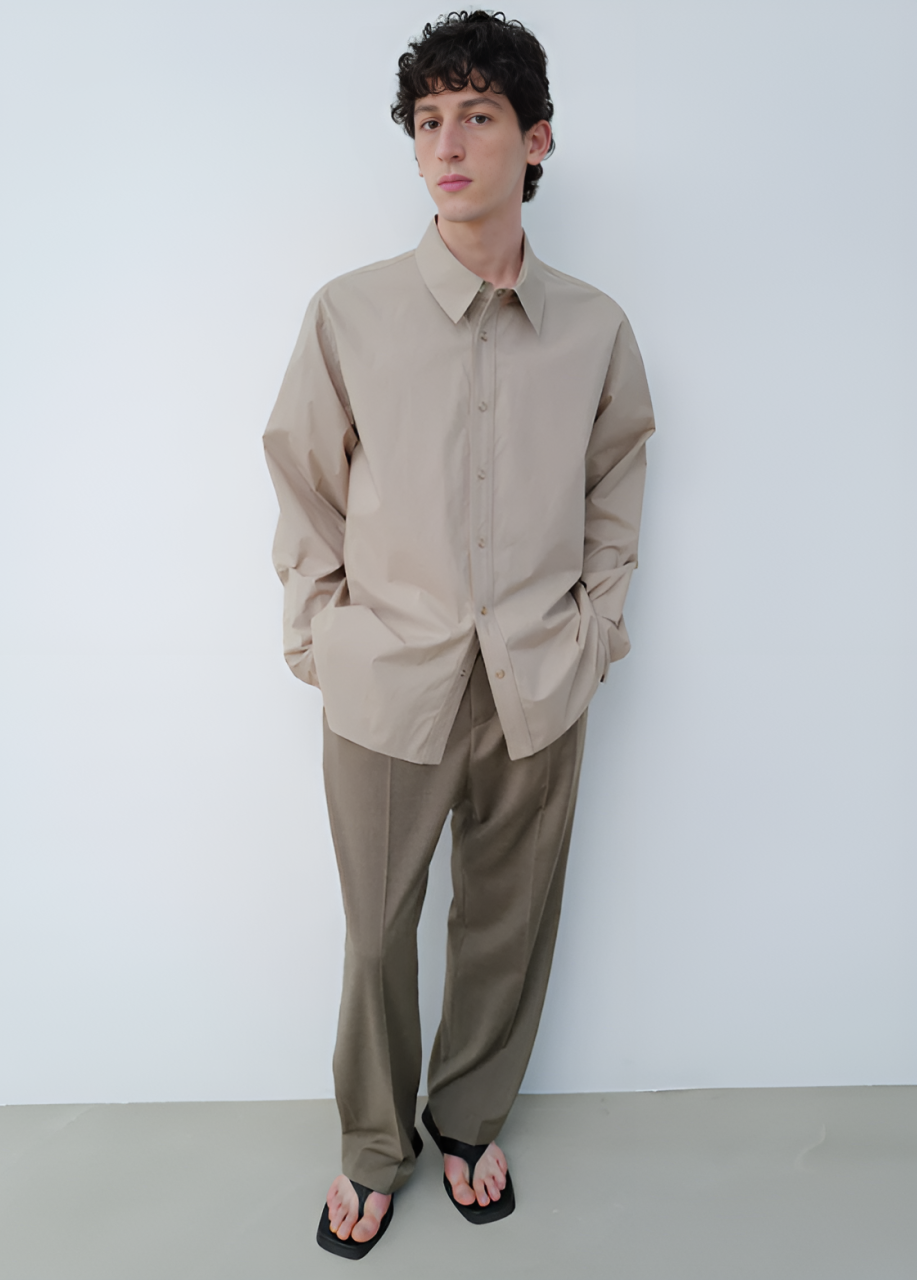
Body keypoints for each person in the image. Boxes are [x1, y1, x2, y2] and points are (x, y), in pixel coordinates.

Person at [263, 9, 655, 1260]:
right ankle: (374, 1143)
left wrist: (596, 626)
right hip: (389, 674)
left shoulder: (593, 326)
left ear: (535, 140)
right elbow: (303, 482)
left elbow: (616, 479)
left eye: (478, 116)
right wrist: (320, 635)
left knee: (508, 916)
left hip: (538, 671)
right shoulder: (351, 313)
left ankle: (469, 1117)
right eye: (429, 119)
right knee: (378, 930)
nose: (447, 143)